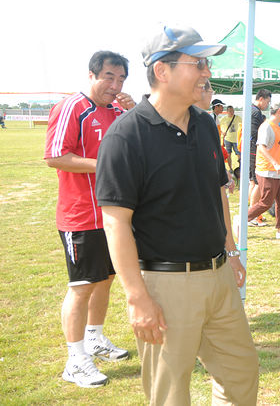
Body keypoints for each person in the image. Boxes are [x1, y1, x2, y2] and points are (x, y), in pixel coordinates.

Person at [95, 25, 259, 404]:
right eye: (198, 63)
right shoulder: (126, 136)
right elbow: (116, 222)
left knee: (241, 372)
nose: (207, 71)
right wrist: (137, 297)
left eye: (206, 63)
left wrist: (231, 250)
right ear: (162, 71)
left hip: (218, 277)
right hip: (165, 284)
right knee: (170, 392)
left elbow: (217, 191)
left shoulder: (204, 123)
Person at [44, 51, 134, 388]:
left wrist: (132, 108)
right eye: (110, 77)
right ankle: (75, 359)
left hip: (113, 213)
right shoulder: (72, 107)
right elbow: (55, 157)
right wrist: (103, 165)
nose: (115, 85)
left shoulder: (117, 110)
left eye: (121, 78)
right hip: (80, 214)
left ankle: (94, 338)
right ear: (92, 75)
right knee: (82, 287)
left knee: (107, 278)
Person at [247, 101, 280, 239]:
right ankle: (242, 219)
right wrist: (275, 164)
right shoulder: (267, 127)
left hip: (278, 172)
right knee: (266, 202)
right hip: (268, 171)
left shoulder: (277, 127)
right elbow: (261, 147)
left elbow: (279, 149)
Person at [248, 89, 272, 226]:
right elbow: (254, 135)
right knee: (256, 182)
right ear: (261, 99)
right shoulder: (255, 112)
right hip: (254, 150)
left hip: (251, 150)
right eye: (267, 102)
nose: (267, 105)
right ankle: (252, 215)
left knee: (252, 182)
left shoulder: (253, 111)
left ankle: (251, 213)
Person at [220, 105, 241, 170]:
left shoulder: (238, 118)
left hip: (236, 139)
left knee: (238, 154)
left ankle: (240, 168)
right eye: (230, 111)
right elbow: (219, 127)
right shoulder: (223, 119)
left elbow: (242, 126)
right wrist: (222, 132)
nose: (232, 112)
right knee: (228, 154)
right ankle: (230, 168)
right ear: (227, 111)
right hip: (227, 139)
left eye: (233, 111)